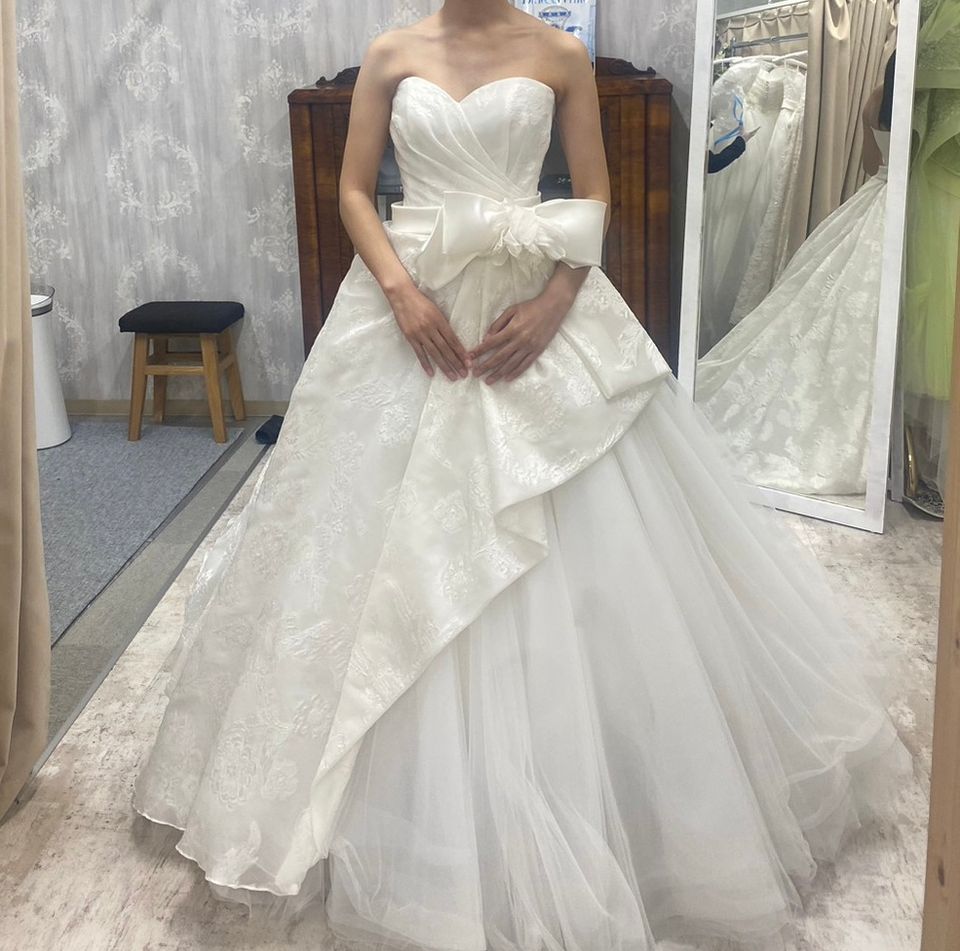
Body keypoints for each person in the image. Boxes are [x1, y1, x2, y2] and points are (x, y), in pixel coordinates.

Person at [133, 4, 911, 950]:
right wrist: (401, 292)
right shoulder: (390, 53)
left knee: (591, 550)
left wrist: (555, 302)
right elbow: (351, 192)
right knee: (367, 553)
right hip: (409, 311)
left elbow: (595, 193)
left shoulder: (560, 54)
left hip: (534, 314)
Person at [695, 54, 897, 498]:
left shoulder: (876, 100)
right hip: (909, 202)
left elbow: (871, 166)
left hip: (874, 196)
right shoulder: (922, 103)